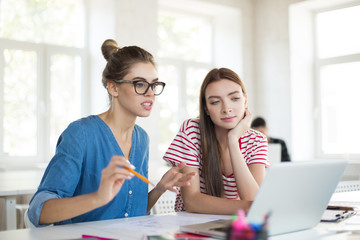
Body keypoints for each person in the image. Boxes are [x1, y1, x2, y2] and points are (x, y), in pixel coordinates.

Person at [28, 39, 195, 227]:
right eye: (139, 84)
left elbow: (131, 212)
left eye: (154, 84)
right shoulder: (81, 134)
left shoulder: (141, 139)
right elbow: (38, 211)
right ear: (113, 87)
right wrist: (98, 197)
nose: (150, 93)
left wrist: (160, 189)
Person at [163, 68, 269, 215]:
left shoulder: (256, 140)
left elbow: (253, 198)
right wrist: (248, 208)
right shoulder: (192, 131)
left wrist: (233, 141)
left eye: (235, 98)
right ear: (206, 108)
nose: (226, 109)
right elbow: (192, 201)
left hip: (232, 225)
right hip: (192, 224)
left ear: (245, 101)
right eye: (215, 102)